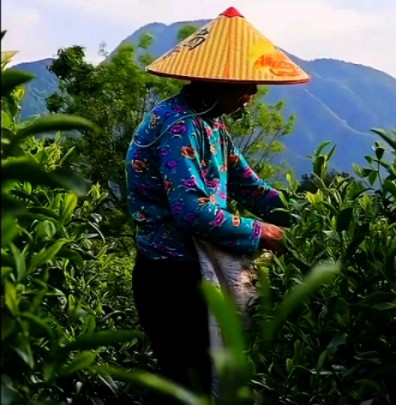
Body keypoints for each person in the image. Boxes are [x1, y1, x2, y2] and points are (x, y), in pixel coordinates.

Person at [124, 6, 310, 400]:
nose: (252, 94)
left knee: (205, 380)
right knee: (189, 385)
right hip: (171, 276)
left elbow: (248, 185)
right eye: (244, 84)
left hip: (188, 268)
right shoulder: (181, 127)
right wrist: (261, 231)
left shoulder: (209, 122)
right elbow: (191, 210)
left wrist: (307, 218)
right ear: (216, 83)